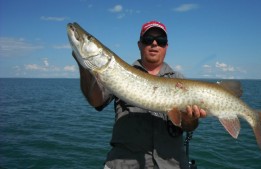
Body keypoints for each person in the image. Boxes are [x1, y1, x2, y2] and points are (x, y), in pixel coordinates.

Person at [72, 21, 206, 169]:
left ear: (166, 46)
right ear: (139, 44)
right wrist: (84, 66)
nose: (154, 43)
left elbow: (189, 127)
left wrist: (189, 120)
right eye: (148, 39)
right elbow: (96, 102)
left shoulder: (180, 81)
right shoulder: (119, 73)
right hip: (124, 164)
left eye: (160, 41)